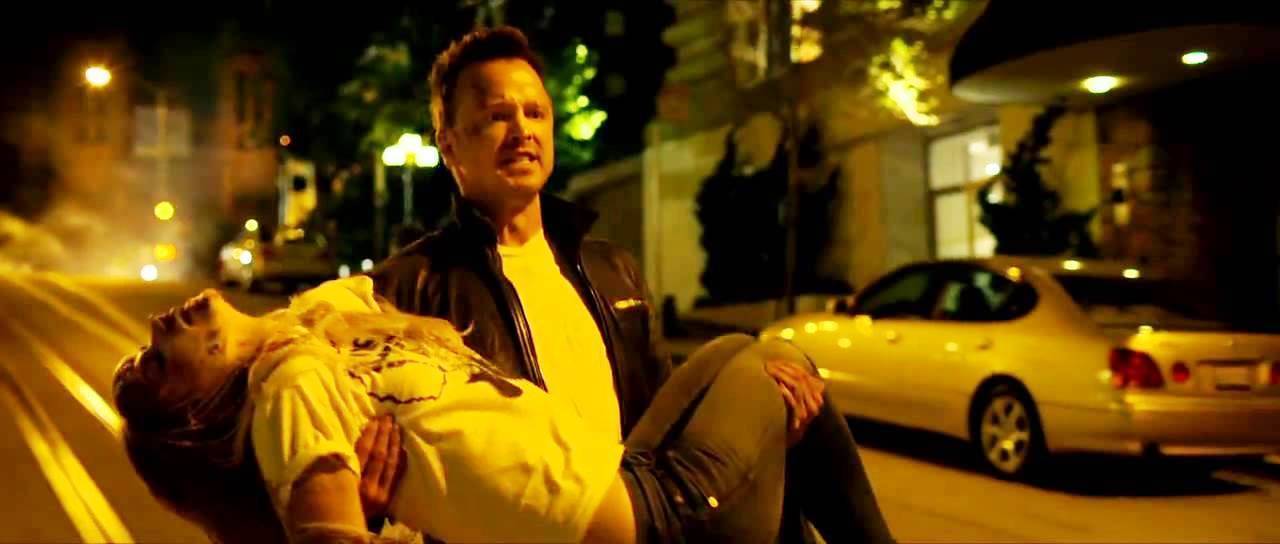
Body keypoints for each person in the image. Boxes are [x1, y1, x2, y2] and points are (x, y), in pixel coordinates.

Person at [363, 26, 831, 534]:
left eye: (535, 113)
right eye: (497, 116)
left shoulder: (612, 269)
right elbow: (366, 460)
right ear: (449, 144)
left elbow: (667, 417)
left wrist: (773, 421)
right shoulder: (409, 288)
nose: (522, 131)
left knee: (773, 366)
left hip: (642, 509)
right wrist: (368, 501)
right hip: (533, 529)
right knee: (763, 357)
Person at [113, 277, 895, 543]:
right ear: (194, 410)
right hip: (655, 519)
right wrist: (370, 525)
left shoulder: (315, 331)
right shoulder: (288, 390)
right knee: (778, 359)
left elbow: (354, 295)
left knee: (733, 351)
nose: (155, 326)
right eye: (154, 365)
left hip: (632, 476)